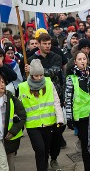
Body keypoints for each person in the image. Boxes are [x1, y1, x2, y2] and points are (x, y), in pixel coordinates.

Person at [26, 33, 66, 170]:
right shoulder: (31, 59)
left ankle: (54, 158)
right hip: (39, 106)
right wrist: (30, 71)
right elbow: (29, 79)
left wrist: (36, 71)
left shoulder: (56, 56)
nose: (48, 46)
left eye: (49, 44)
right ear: (38, 44)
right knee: (43, 144)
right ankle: (46, 161)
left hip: (56, 99)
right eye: (45, 44)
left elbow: (55, 71)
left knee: (58, 135)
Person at [19, 59, 64, 171]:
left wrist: (60, 118)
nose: (39, 78)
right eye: (36, 75)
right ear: (31, 74)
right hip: (32, 125)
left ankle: (44, 166)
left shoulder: (49, 83)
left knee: (45, 151)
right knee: (40, 149)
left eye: (41, 75)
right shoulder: (23, 87)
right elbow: (19, 106)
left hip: (48, 123)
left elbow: (56, 102)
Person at [65, 52, 90, 171]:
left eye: (84, 59)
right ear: (75, 61)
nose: (82, 61)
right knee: (86, 146)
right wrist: (69, 117)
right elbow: (68, 98)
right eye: (79, 59)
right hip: (81, 117)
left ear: (87, 60)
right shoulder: (71, 78)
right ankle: (89, 168)